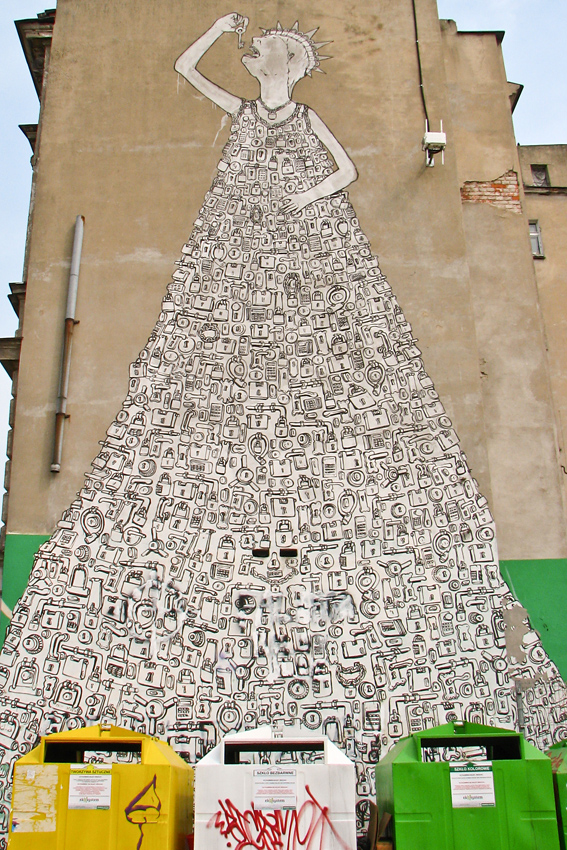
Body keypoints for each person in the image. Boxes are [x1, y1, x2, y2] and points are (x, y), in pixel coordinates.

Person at [0, 13, 565, 842]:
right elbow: (189, 71)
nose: (266, 55)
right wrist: (216, 27)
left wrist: (308, 194)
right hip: (235, 250)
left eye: (277, 49)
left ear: (294, 64)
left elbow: (343, 168)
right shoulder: (241, 105)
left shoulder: (300, 115)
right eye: (262, 48)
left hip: (309, 252)